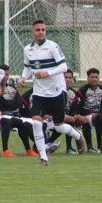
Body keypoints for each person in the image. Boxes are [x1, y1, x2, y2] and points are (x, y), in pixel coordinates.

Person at [20, 19, 86, 165]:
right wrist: (23, 77)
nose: (41, 32)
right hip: (39, 93)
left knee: (59, 126)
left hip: (56, 91)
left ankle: (77, 135)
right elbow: (27, 67)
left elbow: (63, 67)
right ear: (32, 32)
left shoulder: (52, 46)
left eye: (43, 29)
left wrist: (47, 73)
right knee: (36, 123)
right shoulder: (27, 50)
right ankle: (44, 157)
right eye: (37, 30)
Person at [46, 68, 80, 154]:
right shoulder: (54, 91)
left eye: (70, 77)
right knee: (64, 122)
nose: (68, 80)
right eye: (65, 77)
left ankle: (71, 147)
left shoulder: (74, 93)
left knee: (71, 120)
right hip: (50, 118)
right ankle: (47, 144)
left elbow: (74, 108)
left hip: (63, 117)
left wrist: (74, 115)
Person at [76, 68, 102, 153]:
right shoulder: (82, 90)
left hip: (100, 114)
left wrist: (101, 111)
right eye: (92, 77)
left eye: (96, 77)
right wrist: (87, 113)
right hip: (87, 114)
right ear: (88, 79)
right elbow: (78, 107)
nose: (94, 79)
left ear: (99, 78)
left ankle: (100, 145)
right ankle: (90, 146)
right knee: (93, 118)